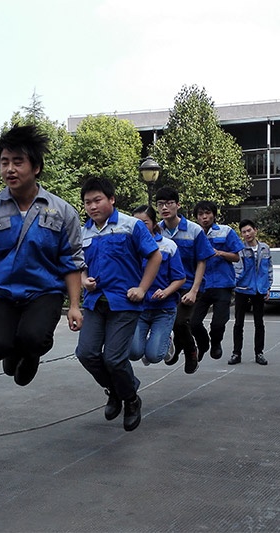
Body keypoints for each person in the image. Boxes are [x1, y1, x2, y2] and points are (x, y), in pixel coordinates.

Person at [0, 124, 84, 386]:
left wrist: (74, 305)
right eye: (4, 162)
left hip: (45, 291)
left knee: (34, 338)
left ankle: (31, 353)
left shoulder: (62, 211)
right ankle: (15, 349)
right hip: (5, 292)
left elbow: (72, 260)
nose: (10, 169)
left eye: (18, 162)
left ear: (36, 167)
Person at [76, 178, 161, 432]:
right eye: (87, 202)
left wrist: (142, 288)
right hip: (95, 303)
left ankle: (131, 400)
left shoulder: (131, 225)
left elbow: (155, 256)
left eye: (97, 200)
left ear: (111, 199)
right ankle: (116, 390)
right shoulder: (83, 232)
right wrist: (84, 280)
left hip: (124, 303)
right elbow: (78, 265)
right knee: (86, 353)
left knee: (114, 358)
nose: (92, 206)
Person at [155, 187, 215, 374]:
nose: (165, 208)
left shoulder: (194, 230)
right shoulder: (157, 230)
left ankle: (191, 351)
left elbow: (202, 261)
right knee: (168, 321)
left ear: (178, 205)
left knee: (180, 322)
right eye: (160, 204)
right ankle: (177, 345)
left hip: (189, 285)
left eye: (169, 203)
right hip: (166, 287)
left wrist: (194, 290)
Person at [128, 205, 186, 365]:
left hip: (163, 309)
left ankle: (167, 339)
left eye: (144, 223)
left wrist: (166, 292)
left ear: (154, 223)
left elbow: (180, 278)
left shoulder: (168, 246)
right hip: (139, 308)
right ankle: (151, 343)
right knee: (133, 353)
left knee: (154, 356)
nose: (139, 227)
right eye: (135, 223)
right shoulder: (129, 246)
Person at [189, 201, 243, 360]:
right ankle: (203, 343)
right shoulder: (192, 233)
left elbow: (236, 257)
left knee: (218, 323)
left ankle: (216, 342)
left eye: (207, 213)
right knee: (193, 322)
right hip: (200, 285)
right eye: (200, 214)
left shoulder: (226, 231)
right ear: (196, 217)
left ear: (214, 215)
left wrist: (219, 253)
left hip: (222, 284)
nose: (204, 217)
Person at [230, 219, 272, 365]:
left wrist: (268, 287)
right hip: (242, 289)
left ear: (255, 230)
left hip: (259, 290)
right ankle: (236, 353)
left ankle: (259, 353)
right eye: (244, 232)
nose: (247, 234)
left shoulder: (265, 248)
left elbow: (268, 269)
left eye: (249, 230)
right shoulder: (239, 249)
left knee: (259, 323)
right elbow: (237, 269)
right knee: (238, 323)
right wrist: (234, 284)